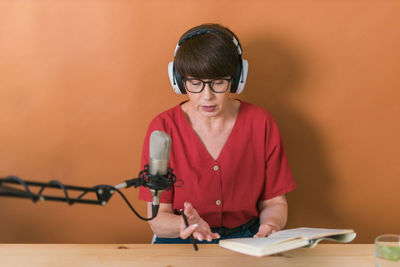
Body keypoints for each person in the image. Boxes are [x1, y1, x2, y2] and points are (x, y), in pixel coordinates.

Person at [139, 23, 296, 244]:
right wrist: (185, 224)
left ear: (236, 79)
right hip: (181, 237)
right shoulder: (162, 128)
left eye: (218, 83)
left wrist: (270, 226)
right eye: (195, 83)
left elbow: (274, 203)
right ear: (178, 81)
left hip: (248, 238)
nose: (207, 96)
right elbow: (157, 218)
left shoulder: (261, 123)